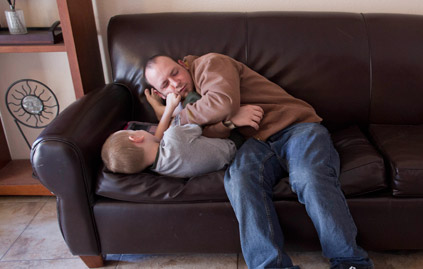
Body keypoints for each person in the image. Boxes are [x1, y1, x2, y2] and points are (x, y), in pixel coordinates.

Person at [144, 53, 373, 269]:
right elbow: (210, 132)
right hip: (257, 140)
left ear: (182, 64)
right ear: (161, 94)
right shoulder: (191, 101)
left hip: (296, 127)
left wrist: (177, 115)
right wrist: (229, 123)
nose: (175, 84)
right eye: (165, 84)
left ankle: (349, 261)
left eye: (175, 73)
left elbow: (222, 102)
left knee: (308, 177)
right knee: (239, 181)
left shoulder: (209, 64)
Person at [101, 88, 262, 178]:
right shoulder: (174, 137)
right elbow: (192, 116)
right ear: (135, 137)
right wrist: (171, 106)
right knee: (192, 98)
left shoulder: (159, 168)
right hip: (234, 144)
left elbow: (157, 139)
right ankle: (164, 110)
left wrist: (168, 110)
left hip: (222, 160)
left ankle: (163, 111)